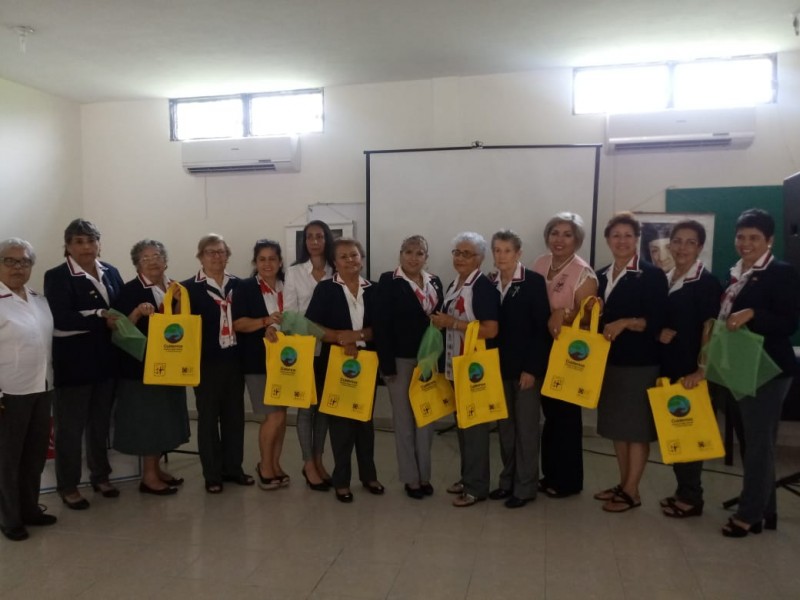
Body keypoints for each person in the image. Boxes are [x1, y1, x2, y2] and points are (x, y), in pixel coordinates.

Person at [717, 209, 800, 537]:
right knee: (753, 442)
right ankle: (766, 510)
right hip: (740, 365)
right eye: (741, 237)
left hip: (768, 369)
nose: (745, 243)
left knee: (758, 444)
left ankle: (749, 514)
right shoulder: (738, 272)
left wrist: (752, 313)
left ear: (770, 240)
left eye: (754, 238)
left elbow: (788, 323)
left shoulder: (780, 272)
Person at [44, 219, 124, 509]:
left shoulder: (111, 272)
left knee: (101, 424)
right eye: (79, 241)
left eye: (91, 241)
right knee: (70, 428)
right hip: (74, 365)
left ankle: (100, 476)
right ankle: (68, 485)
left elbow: (121, 312)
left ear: (99, 243)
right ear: (67, 246)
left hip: (106, 361)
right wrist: (99, 315)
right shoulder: (57, 276)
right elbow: (62, 318)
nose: (86, 247)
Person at [593, 212, 668, 512]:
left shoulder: (651, 274)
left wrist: (625, 322)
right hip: (608, 362)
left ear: (637, 239)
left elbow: (657, 320)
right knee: (618, 427)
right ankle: (623, 483)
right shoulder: (599, 276)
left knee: (636, 430)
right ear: (608, 240)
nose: (621, 241)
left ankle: (633, 491)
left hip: (640, 363)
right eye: (616, 236)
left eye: (627, 235)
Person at [305, 238, 383, 503]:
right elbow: (312, 327)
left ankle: (369, 476)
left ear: (362, 258)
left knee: (364, 422)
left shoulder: (375, 289)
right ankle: (341, 481)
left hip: (367, 364)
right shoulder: (325, 289)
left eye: (354, 255)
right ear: (335, 263)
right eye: (344, 257)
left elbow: (381, 328)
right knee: (340, 425)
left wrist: (357, 335)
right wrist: (341, 338)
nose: (350, 260)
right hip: (335, 363)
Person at [111, 240, 190, 496]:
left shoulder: (175, 288)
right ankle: (148, 477)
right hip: (141, 369)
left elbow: (181, 324)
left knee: (165, 419)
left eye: (157, 256)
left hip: (171, 365)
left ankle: (156, 469)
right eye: (145, 258)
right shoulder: (130, 291)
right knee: (149, 421)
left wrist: (178, 303)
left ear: (165, 260)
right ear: (137, 265)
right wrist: (136, 312)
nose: (153, 261)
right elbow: (120, 330)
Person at [657, 221, 722, 518]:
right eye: (678, 241)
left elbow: (710, 328)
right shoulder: (665, 278)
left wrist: (701, 369)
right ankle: (683, 491)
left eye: (690, 242)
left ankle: (692, 498)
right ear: (669, 244)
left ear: (699, 247)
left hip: (690, 372)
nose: (682, 247)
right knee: (674, 433)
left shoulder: (706, 283)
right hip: (667, 368)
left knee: (689, 434)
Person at [430, 232, 500, 507]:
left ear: (480, 259)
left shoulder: (482, 287)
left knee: (475, 428)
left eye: (467, 254)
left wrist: (452, 323)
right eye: (457, 252)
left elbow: (491, 329)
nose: (460, 258)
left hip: (474, 369)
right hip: (454, 365)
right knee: (462, 425)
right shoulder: (455, 283)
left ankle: (477, 487)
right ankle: (467, 476)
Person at [531, 212, 598, 498]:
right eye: (554, 233)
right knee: (550, 414)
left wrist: (565, 313)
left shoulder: (584, 273)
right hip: (540, 346)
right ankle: (550, 475)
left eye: (567, 234)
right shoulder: (539, 263)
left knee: (566, 417)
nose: (559, 240)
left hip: (568, 352)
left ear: (577, 240)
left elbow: (590, 318)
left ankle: (568, 481)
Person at [374, 235, 444, 499]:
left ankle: (425, 475)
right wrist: (387, 365)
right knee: (404, 421)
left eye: (420, 253)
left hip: (428, 359)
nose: (414, 258)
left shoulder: (434, 281)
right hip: (400, 361)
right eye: (409, 252)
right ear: (400, 254)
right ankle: (411, 479)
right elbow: (381, 325)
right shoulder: (388, 281)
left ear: (426, 257)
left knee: (426, 418)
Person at [182, 234, 252, 493]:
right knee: (209, 419)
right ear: (200, 256)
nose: (216, 257)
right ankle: (212, 474)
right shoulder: (187, 288)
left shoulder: (240, 285)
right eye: (210, 252)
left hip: (235, 360)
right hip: (205, 363)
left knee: (235, 418)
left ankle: (233, 468)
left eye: (221, 252)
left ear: (227, 255)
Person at [488, 230, 551, 508]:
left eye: (507, 251)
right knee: (505, 429)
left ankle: (525, 487)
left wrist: (532, 368)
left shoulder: (534, 282)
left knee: (526, 429)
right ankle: (507, 481)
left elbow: (541, 331)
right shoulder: (489, 283)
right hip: (498, 368)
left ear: (518, 254)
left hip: (526, 370)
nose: (501, 256)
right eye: (497, 251)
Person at [0, 239, 57, 541]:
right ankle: (10, 519)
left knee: (34, 455)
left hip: (41, 387)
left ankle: (30, 509)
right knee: (8, 460)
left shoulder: (39, 299)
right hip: (9, 392)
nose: (17, 267)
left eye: (24, 262)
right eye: (10, 261)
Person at [232, 239, 290, 490]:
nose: (267, 264)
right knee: (272, 415)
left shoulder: (288, 286)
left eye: (272, 259)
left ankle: (275, 464)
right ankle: (264, 465)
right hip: (257, 361)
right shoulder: (244, 288)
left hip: (288, 361)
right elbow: (238, 324)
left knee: (282, 416)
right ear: (255, 263)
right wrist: (266, 321)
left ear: (280, 262)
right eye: (262, 259)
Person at [283, 220, 335, 490]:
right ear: (304, 242)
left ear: (327, 239)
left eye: (319, 236)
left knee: (324, 409)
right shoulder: (294, 273)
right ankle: (307, 464)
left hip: (332, 350)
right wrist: (315, 332)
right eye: (309, 237)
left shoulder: (336, 270)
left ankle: (319, 458)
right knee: (305, 409)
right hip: (305, 349)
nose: (314, 241)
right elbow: (290, 315)